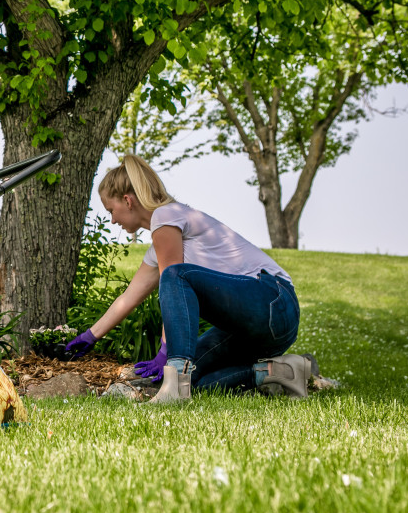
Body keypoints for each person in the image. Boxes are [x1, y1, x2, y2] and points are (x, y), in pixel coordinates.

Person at [64, 154, 312, 403]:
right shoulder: (160, 242)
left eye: (111, 210)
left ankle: (176, 386)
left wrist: (165, 353)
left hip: (275, 302)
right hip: (254, 328)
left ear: (127, 201)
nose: (113, 220)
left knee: (174, 278)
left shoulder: (166, 216)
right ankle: (280, 372)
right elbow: (128, 298)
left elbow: (173, 278)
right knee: (193, 379)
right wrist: (89, 337)